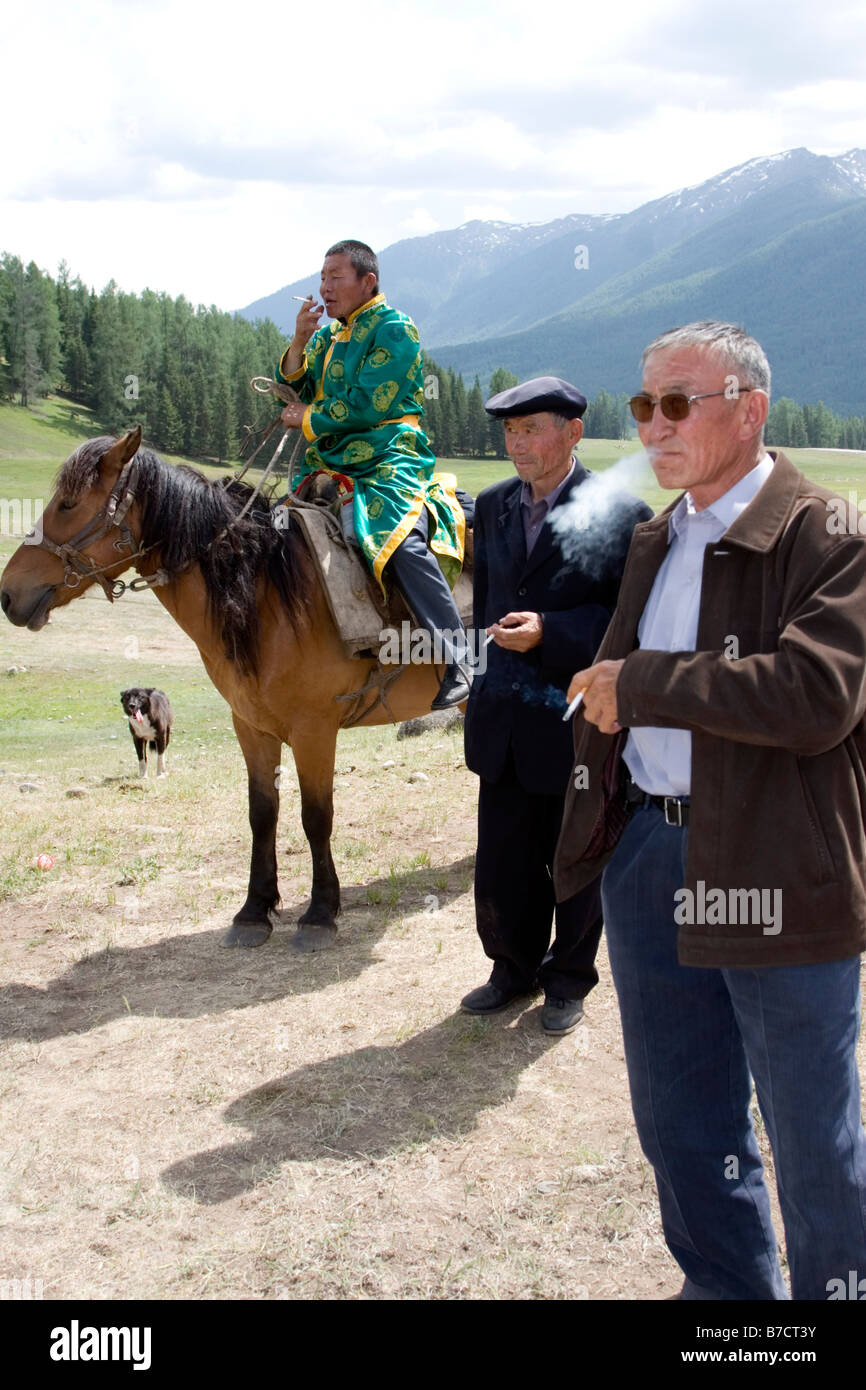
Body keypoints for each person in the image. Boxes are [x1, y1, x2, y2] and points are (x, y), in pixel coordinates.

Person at [554, 321, 866, 1299]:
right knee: (682, 1118)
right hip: (652, 853)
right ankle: (731, 1307)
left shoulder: (828, 534)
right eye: (641, 404)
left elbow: (811, 697)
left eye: (677, 401)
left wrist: (641, 683)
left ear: (749, 406)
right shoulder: (656, 535)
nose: (653, 423)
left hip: (778, 869)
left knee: (810, 1134)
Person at [461, 377, 652, 1033]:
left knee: (574, 855)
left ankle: (567, 981)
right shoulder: (490, 508)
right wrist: (478, 684)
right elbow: (488, 603)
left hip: (578, 724)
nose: (518, 443)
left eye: (532, 428)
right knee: (504, 857)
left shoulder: (622, 514)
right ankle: (510, 969)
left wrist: (550, 629)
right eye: (510, 431)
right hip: (504, 720)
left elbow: (627, 621)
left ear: (573, 431)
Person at [275, 239, 470, 708]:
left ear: (368, 281)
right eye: (322, 278)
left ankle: (460, 657)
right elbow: (293, 385)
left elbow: (368, 404)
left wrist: (306, 416)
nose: (325, 287)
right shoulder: (327, 336)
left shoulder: (396, 328)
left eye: (336, 277)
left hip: (388, 453)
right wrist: (300, 339)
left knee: (396, 535)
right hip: (329, 459)